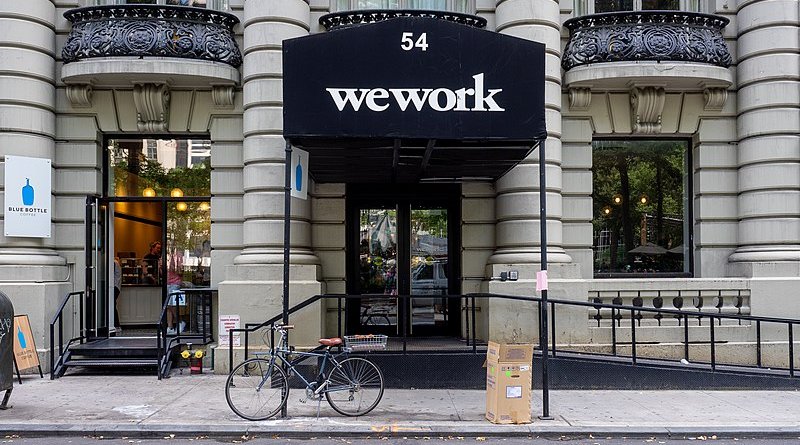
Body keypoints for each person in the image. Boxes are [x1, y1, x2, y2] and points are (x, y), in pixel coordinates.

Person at [113, 257, 122, 333]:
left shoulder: (113, 263)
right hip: (117, 287)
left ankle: (116, 325)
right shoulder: (116, 263)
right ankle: (116, 325)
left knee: (112, 305)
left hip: (114, 287)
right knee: (113, 305)